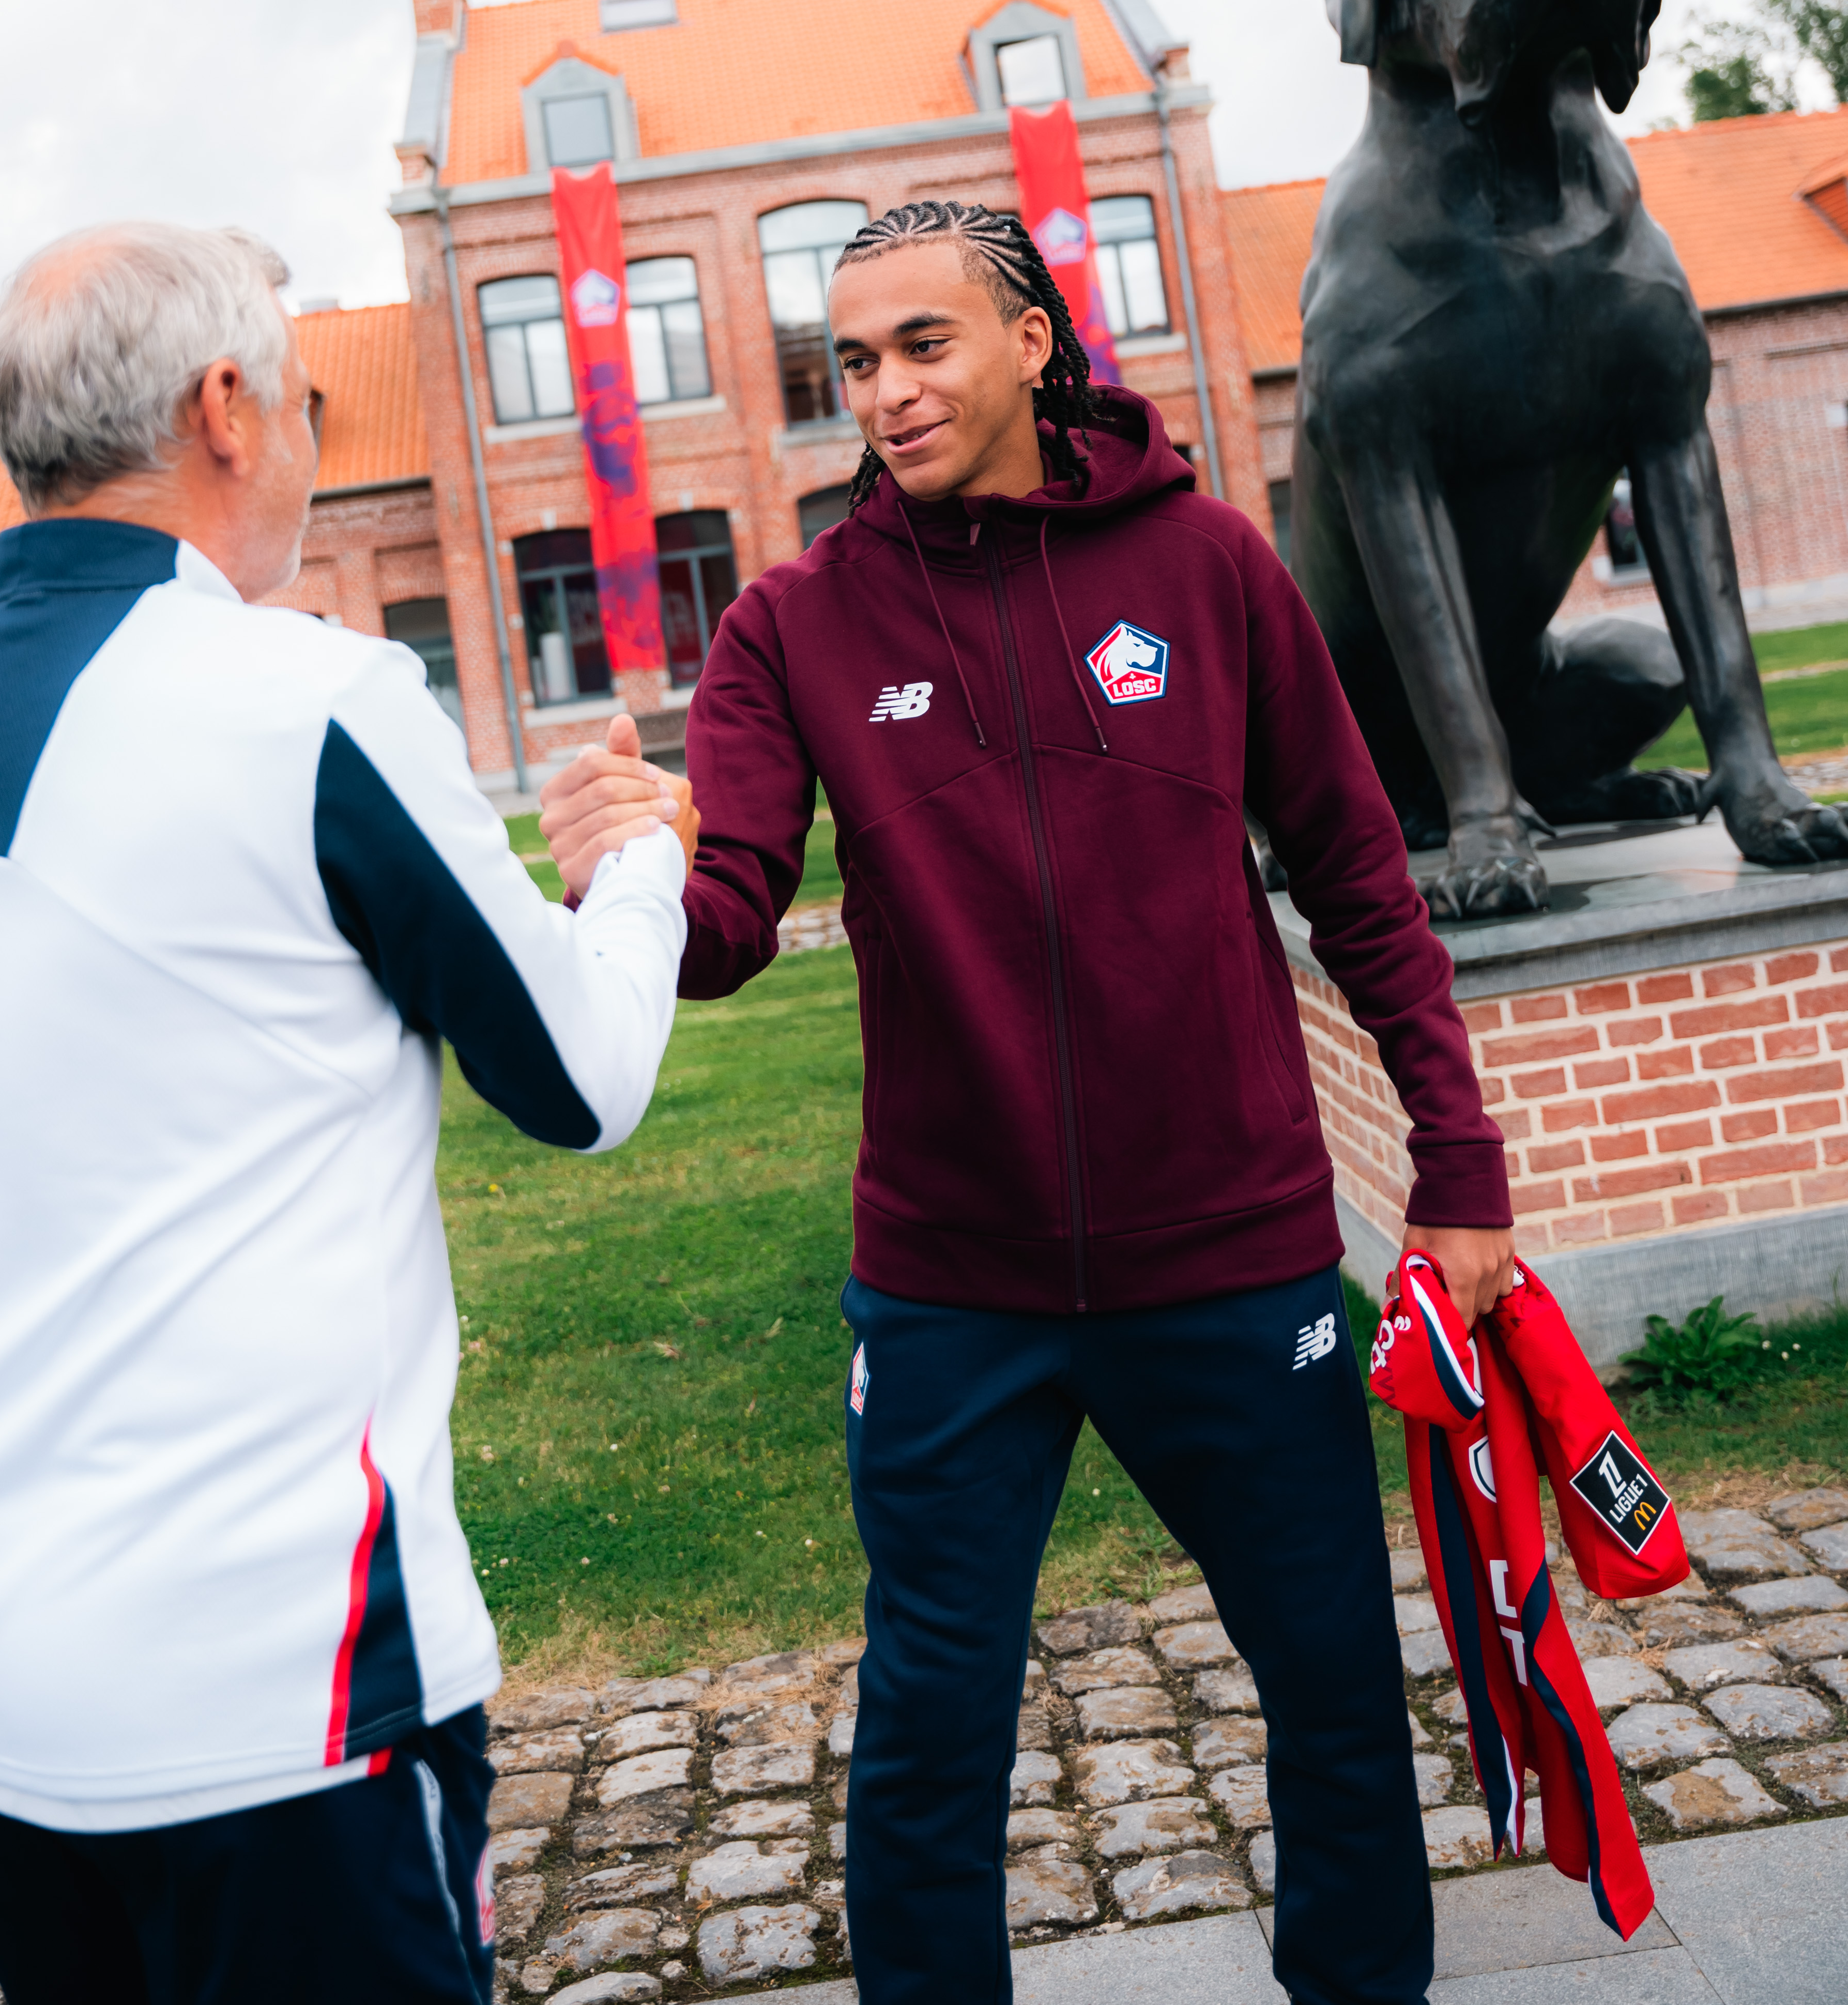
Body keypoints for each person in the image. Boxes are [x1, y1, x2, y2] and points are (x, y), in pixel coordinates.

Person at [540, 197, 1514, 2005]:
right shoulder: (792, 627)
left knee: (1333, 1694)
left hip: (1233, 1257)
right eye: (855, 363)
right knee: (927, 1736)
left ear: (1033, 345)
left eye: (923, 345)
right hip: (950, 1291)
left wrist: (1461, 1167)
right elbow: (732, 923)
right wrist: (643, 866)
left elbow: (1363, 879)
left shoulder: (1214, 566)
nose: (888, 393)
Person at [0, 222, 697, 2005]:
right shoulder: (311, 697)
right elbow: (583, 1080)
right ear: (224, 408)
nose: (302, 431)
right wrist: (643, 871)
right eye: (296, 395)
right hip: (281, 1686)